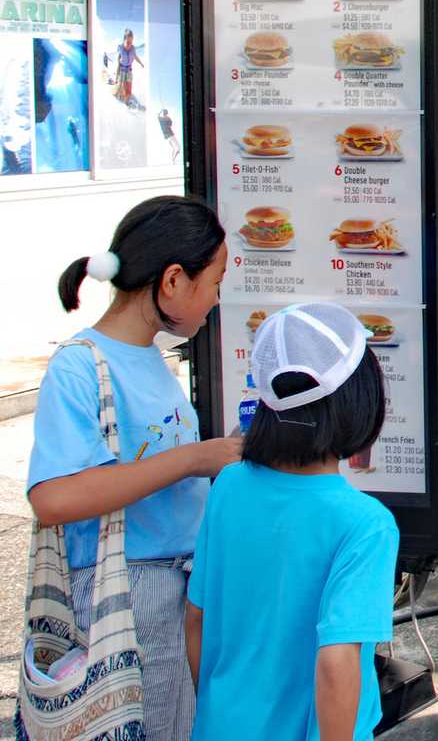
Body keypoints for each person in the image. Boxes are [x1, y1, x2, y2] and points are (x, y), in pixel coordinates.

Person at [28, 195, 240, 741]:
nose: (217, 300)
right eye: (215, 283)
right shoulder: (80, 365)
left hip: (175, 592)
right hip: (125, 594)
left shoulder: (151, 357)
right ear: (173, 280)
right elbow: (53, 497)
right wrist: (194, 458)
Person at [187, 302, 398, 741]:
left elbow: (197, 618)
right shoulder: (365, 525)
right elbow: (337, 661)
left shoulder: (228, 485)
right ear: (360, 402)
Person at [116, 28, 144, 105]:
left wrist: (141, 63)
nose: (129, 44)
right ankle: (122, 98)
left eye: (131, 42)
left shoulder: (133, 48)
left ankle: (127, 100)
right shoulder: (120, 48)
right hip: (122, 71)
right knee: (123, 88)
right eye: (128, 42)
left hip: (129, 71)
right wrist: (117, 76)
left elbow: (135, 56)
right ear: (124, 40)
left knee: (129, 88)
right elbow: (118, 63)